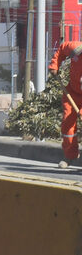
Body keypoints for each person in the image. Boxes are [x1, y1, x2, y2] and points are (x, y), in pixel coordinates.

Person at [48, 38, 82, 168]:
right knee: (68, 123)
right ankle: (70, 155)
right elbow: (61, 50)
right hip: (72, 93)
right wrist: (54, 65)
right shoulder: (75, 48)